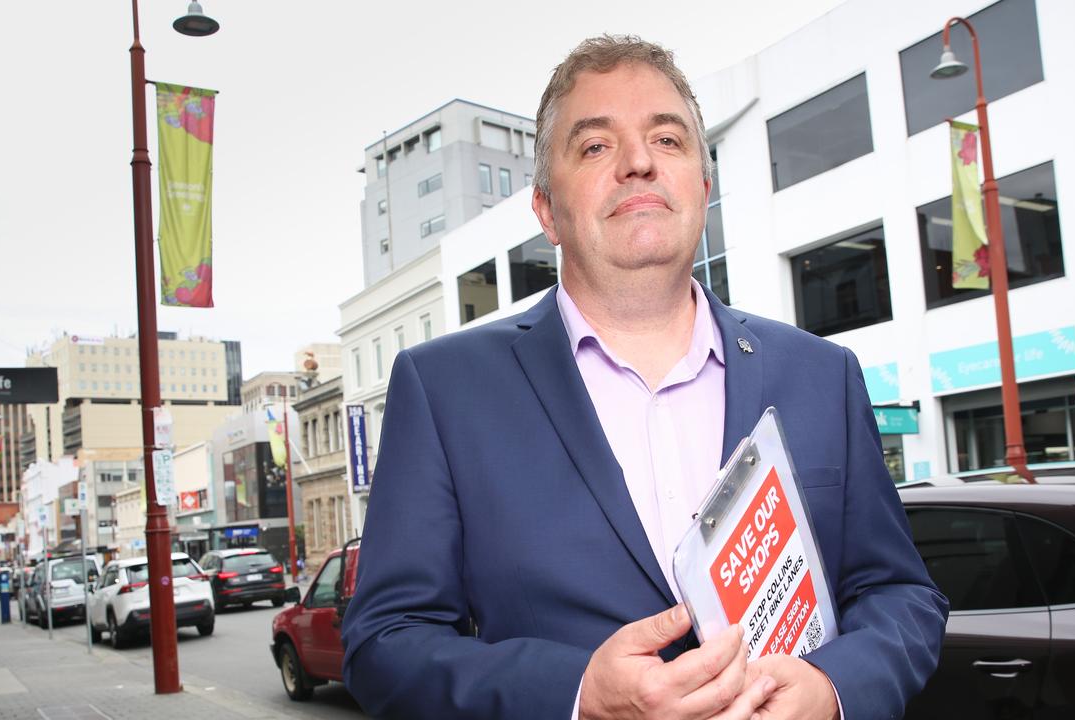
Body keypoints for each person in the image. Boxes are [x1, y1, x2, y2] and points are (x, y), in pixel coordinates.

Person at [341, 35, 948, 720]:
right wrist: (575, 696)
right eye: (596, 146)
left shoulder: (822, 375)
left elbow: (903, 595)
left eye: (667, 139)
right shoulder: (444, 389)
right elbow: (383, 644)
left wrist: (833, 689)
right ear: (546, 210)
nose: (638, 162)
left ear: (702, 184)